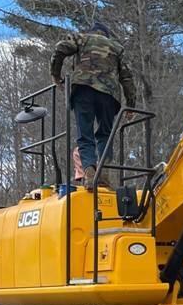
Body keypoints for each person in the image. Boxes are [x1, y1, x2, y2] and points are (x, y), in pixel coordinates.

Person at [50, 21, 137, 189]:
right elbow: (127, 78)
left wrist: (55, 75)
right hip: (109, 95)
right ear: (106, 35)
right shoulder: (117, 48)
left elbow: (60, 48)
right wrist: (130, 105)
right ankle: (103, 173)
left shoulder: (82, 39)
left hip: (83, 90)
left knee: (85, 135)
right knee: (105, 134)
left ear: (93, 32)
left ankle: (89, 171)